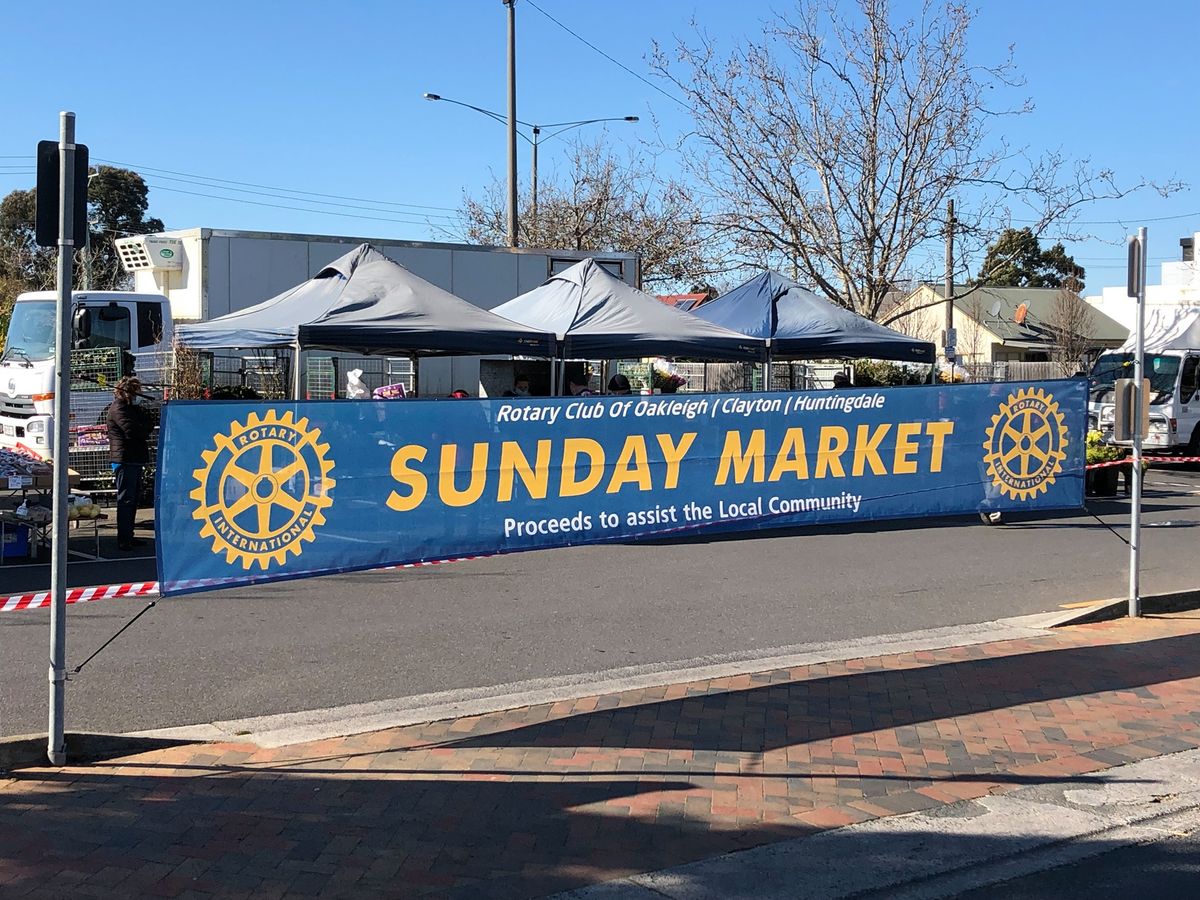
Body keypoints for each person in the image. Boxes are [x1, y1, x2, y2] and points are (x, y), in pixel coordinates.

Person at [106, 376, 154, 551]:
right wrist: (144, 427)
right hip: (124, 459)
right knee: (126, 500)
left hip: (133, 458)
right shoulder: (119, 408)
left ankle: (129, 535)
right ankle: (124, 538)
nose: (139, 395)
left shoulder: (131, 408)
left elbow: (148, 421)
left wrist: (144, 425)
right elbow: (133, 431)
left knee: (133, 499)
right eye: (137, 391)